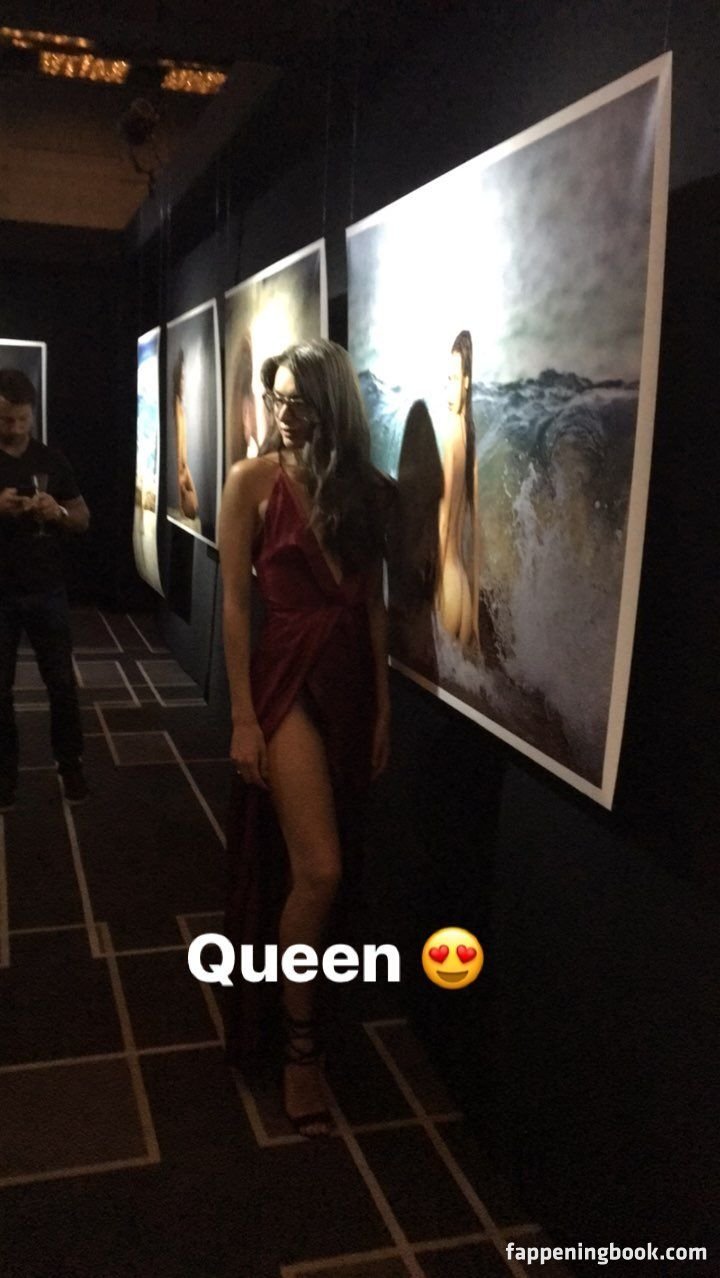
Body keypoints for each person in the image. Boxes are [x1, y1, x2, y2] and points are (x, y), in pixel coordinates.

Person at [218, 339, 391, 1138]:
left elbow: (375, 605)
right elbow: (234, 604)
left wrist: (384, 707)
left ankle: (319, 1002)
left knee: (331, 867)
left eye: (300, 400)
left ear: (332, 404)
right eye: (278, 398)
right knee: (320, 868)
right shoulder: (250, 482)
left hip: (349, 678)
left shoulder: (365, 490)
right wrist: (242, 716)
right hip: (285, 673)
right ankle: (299, 1047)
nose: (285, 413)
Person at [0, 369, 90, 811]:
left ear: (32, 414)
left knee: (61, 684)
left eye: (22, 419)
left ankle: (70, 764)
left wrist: (57, 513)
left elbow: (82, 519)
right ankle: (4, 775)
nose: (16, 428)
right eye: (6, 419)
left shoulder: (51, 459)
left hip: (47, 589)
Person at [436, 330, 481, 652]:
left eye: (453, 378)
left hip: (447, 579)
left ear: (466, 381)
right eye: (447, 379)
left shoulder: (451, 430)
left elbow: (442, 523)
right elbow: (476, 536)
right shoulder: (471, 437)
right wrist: (474, 612)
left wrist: (434, 585)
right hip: (463, 584)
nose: (448, 389)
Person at [172, 350, 199, 521]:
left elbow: (183, 459)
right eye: (181, 378)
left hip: (182, 475)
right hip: (180, 479)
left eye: (184, 378)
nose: (184, 383)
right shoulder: (176, 409)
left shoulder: (181, 409)